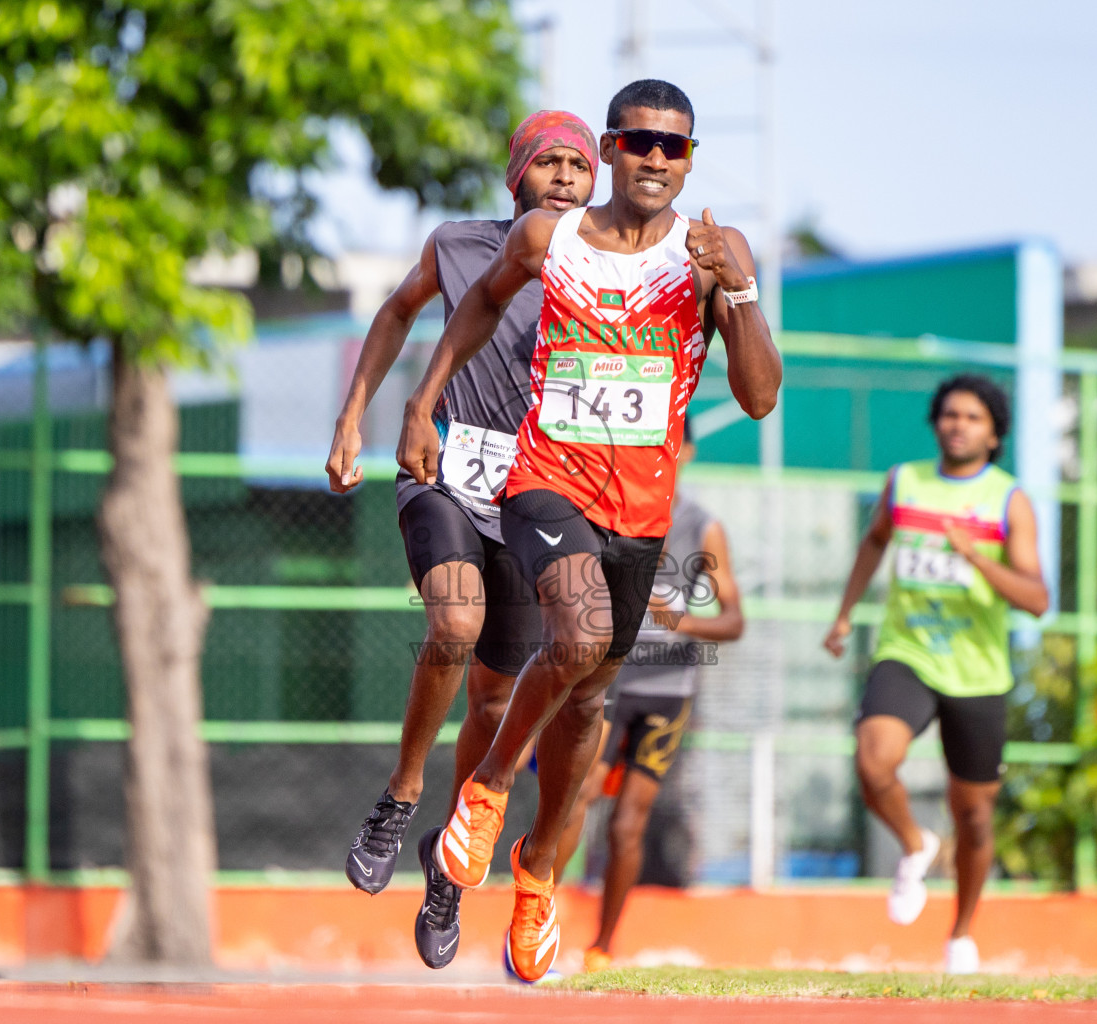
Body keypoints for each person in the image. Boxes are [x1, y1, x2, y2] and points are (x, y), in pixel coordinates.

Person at [399, 78, 781, 982]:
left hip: (640, 514)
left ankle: (537, 877)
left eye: (674, 147)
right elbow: (480, 306)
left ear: (690, 161)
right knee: (582, 635)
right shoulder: (550, 236)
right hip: (545, 483)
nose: (656, 158)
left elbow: (761, 396)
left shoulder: (709, 255)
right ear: (611, 150)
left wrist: (743, 288)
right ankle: (488, 790)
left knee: (588, 700)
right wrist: (423, 401)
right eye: (639, 141)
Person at [326, 110, 597, 968]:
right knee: (452, 625)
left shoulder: (607, 271)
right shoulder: (458, 245)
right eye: (546, 162)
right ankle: (400, 796)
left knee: (491, 701)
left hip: (535, 497)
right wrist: (352, 418)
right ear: (516, 176)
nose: (563, 176)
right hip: (443, 468)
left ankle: (447, 867)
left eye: (577, 165)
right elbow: (395, 314)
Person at [823, 374, 1048, 975]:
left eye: (973, 418)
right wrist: (845, 614)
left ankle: (963, 933)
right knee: (873, 761)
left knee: (974, 815)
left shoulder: (1008, 500)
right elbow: (874, 543)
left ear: (994, 433)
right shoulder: (905, 482)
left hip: (977, 672)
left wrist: (976, 556)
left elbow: (1036, 598)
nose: (958, 425)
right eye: (950, 414)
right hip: (909, 651)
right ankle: (916, 843)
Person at [551, 423, 745, 973]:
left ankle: (603, 948)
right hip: (611, 681)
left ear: (685, 451)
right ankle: (537, 914)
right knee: (580, 793)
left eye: (669, 443)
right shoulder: (604, 512)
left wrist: (679, 620)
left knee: (628, 824)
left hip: (668, 690)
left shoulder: (702, 528)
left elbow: (734, 621)